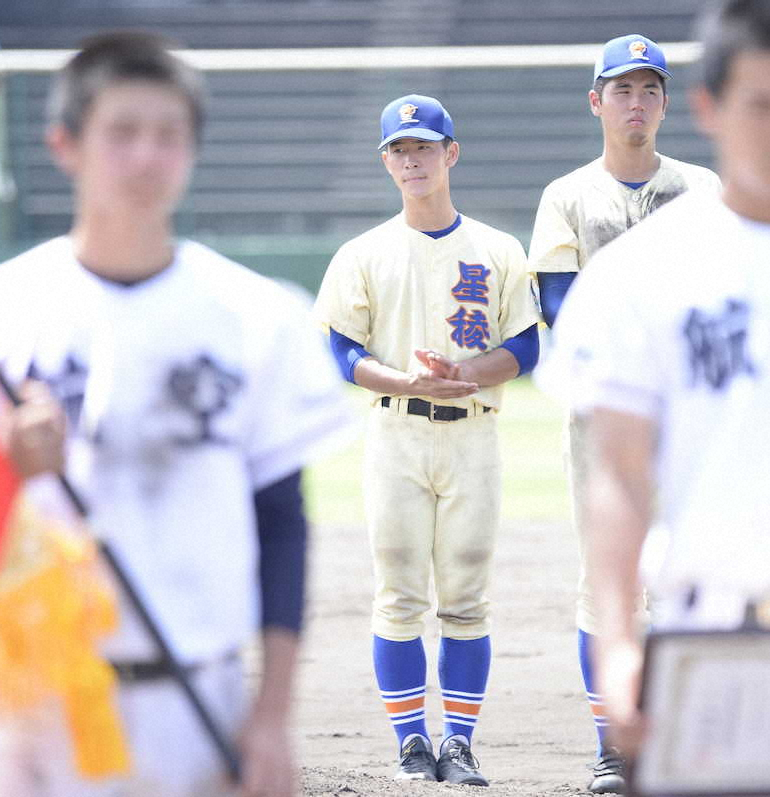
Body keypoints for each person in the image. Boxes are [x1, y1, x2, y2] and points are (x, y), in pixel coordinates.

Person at [0, 31, 349, 797]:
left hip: (201, 699)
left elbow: (281, 520)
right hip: (41, 707)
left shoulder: (257, 318)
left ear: (192, 150)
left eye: (169, 135)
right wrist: (3, 467)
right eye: (122, 132)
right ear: (67, 145)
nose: (147, 157)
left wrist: (273, 709)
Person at [539, 0, 770, 779]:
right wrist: (624, 641)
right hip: (707, 642)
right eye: (761, 105)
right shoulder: (640, 274)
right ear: (708, 108)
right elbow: (622, 477)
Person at [314, 94, 539, 786]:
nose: (412, 159)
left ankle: (460, 741)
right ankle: (412, 742)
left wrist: (465, 373)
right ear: (386, 161)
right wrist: (413, 383)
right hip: (395, 434)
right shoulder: (364, 252)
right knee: (398, 593)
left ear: (451, 154)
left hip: (474, 435)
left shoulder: (498, 249)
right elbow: (340, 352)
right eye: (399, 150)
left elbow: (526, 346)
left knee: (467, 597)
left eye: (423, 147)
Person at [526, 33, 720, 795]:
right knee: (604, 575)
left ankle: (689, 737)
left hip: (695, 415)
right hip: (604, 418)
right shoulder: (567, 196)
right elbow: (559, 308)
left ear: (666, 103)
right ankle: (613, 743)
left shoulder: (703, 188)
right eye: (622, 89)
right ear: (596, 100)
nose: (635, 103)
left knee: (694, 572)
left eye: (649, 90)